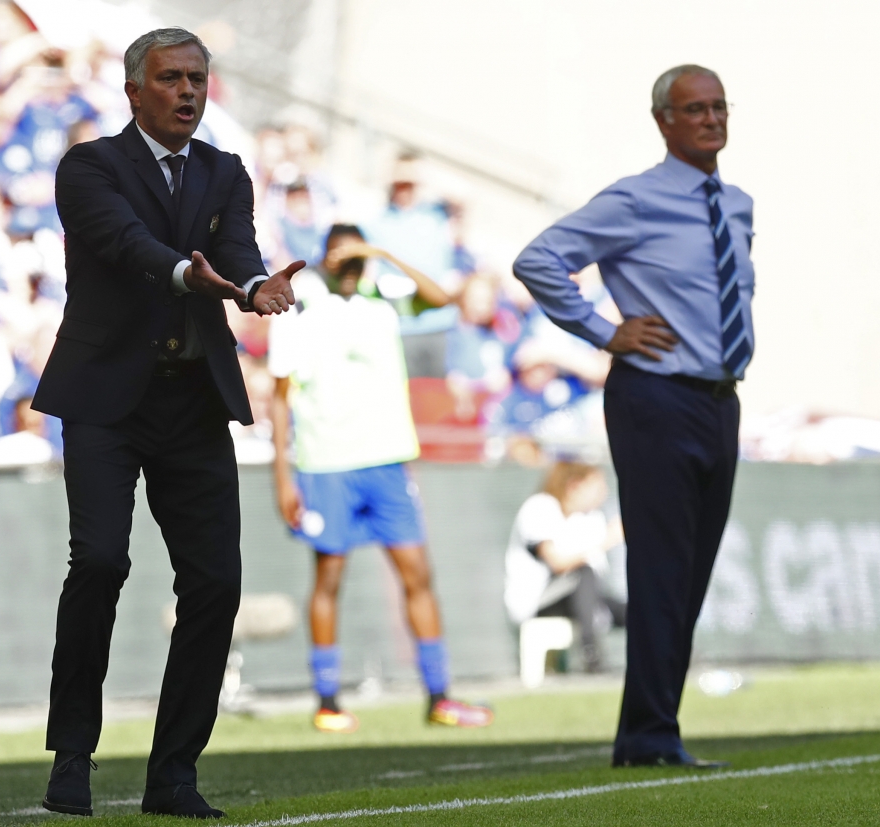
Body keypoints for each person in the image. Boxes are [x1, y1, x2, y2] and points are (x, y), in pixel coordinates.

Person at [31, 28, 300, 820]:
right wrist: (197, 275)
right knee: (102, 562)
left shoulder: (225, 171)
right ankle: (73, 751)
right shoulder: (89, 166)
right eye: (171, 78)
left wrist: (253, 286)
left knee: (216, 581)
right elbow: (124, 243)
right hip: (105, 400)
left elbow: (243, 251)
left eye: (197, 78)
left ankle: (174, 773)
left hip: (193, 401)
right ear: (134, 91)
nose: (187, 91)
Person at [512, 65, 753, 768]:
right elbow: (540, 259)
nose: (710, 119)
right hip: (655, 393)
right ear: (664, 122)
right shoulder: (637, 199)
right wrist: (602, 328)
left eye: (718, 107)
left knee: (692, 570)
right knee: (660, 566)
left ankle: (655, 727)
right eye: (694, 109)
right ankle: (649, 735)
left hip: (720, 396)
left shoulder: (736, 203)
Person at [268, 223, 492, 734]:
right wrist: (284, 478)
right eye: (339, 258)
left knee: (418, 575)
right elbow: (280, 400)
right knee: (328, 580)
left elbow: (442, 300)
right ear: (322, 258)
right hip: (326, 464)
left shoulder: (383, 296)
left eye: (355, 259)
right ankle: (327, 700)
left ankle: (439, 696)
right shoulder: (299, 307)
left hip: (388, 461)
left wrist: (384, 254)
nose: (347, 268)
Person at [505, 461, 625, 671]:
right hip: (537, 603)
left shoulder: (590, 518)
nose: (604, 493)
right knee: (584, 574)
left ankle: (671, 656)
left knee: (632, 611)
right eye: (597, 486)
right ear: (574, 485)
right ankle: (592, 655)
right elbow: (558, 564)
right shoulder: (540, 507)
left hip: (580, 598)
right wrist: (608, 539)